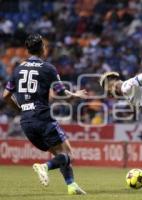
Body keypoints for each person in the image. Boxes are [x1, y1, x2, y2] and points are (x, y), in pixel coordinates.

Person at [2, 33, 87, 195]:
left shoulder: (18, 69)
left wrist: (20, 109)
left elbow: (5, 96)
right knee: (68, 154)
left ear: (27, 50)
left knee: (60, 154)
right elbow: (60, 92)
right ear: (42, 48)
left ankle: (72, 186)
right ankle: (44, 166)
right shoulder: (48, 68)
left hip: (26, 121)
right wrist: (76, 95)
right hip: (42, 118)